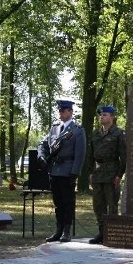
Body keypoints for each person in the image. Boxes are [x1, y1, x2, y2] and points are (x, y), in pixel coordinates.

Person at [38, 100, 87, 243]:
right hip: (54, 170)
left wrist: (75, 172)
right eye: (59, 111)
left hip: (67, 170)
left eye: (63, 111)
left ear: (71, 112)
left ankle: (67, 230)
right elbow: (43, 143)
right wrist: (41, 156)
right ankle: (58, 230)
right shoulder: (54, 128)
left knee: (68, 202)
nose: (61, 113)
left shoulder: (77, 130)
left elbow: (80, 153)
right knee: (58, 203)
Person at [87, 106, 127, 245]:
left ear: (112, 117)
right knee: (98, 205)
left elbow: (124, 156)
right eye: (100, 115)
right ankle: (102, 232)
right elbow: (90, 155)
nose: (101, 117)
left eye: (104, 115)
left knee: (112, 204)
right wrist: (91, 173)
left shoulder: (118, 133)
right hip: (98, 173)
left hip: (112, 172)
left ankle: (113, 233)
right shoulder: (95, 134)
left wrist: (119, 175)